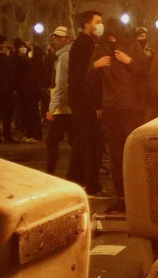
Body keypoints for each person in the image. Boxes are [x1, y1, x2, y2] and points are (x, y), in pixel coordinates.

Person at [93, 28, 149, 212]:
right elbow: (89, 80)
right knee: (116, 156)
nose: (112, 39)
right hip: (112, 109)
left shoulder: (133, 47)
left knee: (133, 154)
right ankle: (123, 197)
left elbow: (145, 73)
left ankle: (138, 196)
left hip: (133, 110)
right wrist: (95, 66)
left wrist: (130, 61)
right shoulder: (101, 49)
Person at [67, 10, 105, 196]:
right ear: (87, 24)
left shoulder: (83, 43)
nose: (100, 25)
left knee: (81, 143)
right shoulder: (86, 45)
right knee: (91, 144)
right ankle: (91, 183)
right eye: (97, 22)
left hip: (79, 101)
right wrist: (96, 104)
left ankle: (75, 179)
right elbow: (84, 77)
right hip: (85, 102)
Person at [44, 27, 74, 176]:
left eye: (58, 37)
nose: (54, 40)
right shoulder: (65, 54)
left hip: (63, 107)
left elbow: (61, 84)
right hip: (68, 106)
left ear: (66, 39)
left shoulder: (64, 56)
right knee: (74, 141)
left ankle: (50, 172)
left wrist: (52, 108)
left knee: (52, 141)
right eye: (54, 37)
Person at [12, 39, 44, 141]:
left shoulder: (31, 62)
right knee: (28, 113)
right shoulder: (24, 61)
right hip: (26, 90)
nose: (23, 49)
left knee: (31, 113)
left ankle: (34, 134)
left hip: (30, 91)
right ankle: (30, 133)